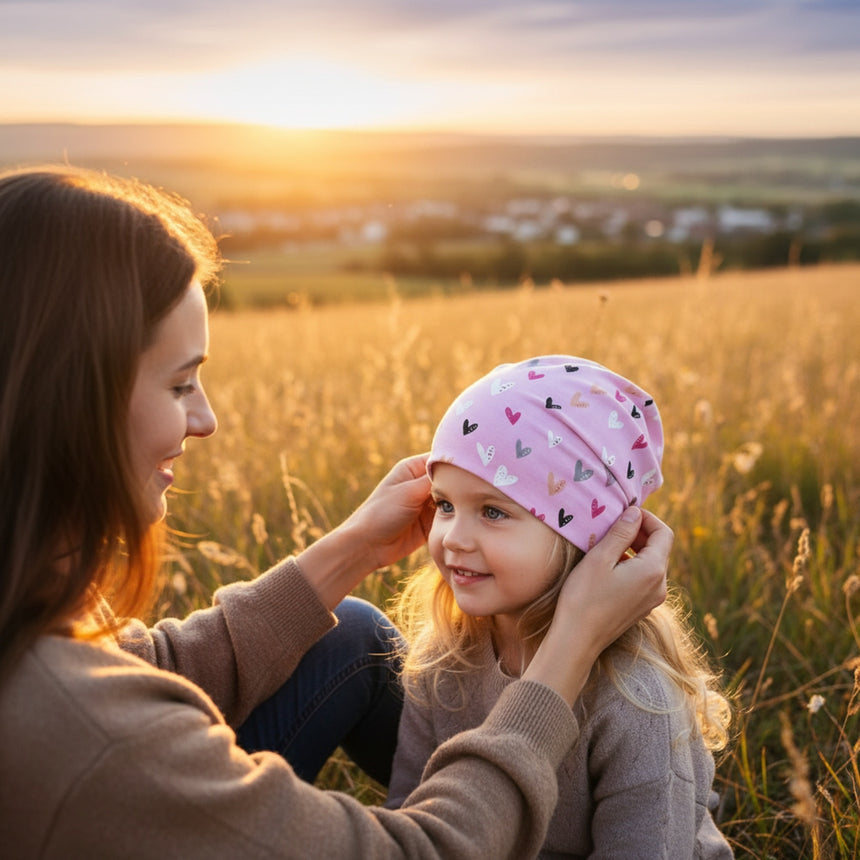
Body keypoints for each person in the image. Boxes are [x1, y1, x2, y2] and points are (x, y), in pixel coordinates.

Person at [0, 166, 672, 860]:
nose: (206, 419)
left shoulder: (29, 625)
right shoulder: (91, 739)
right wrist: (569, 651)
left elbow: (137, 666)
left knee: (347, 634)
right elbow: (425, 849)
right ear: (63, 401)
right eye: (179, 385)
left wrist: (353, 548)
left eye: (494, 511)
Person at [386, 355, 733, 858]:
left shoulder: (635, 700)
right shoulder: (442, 657)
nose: (453, 538)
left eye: (492, 511)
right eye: (444, 505)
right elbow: (409, 815)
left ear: (583, 535)